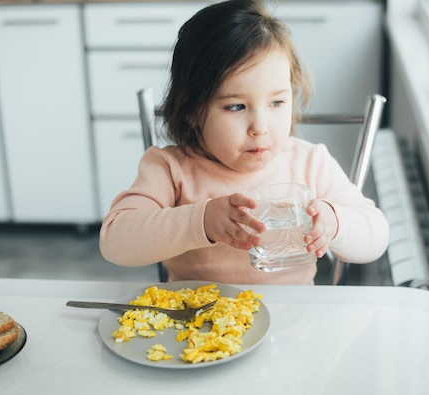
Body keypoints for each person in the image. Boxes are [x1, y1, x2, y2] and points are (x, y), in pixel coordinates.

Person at [99, 0, 389, 285]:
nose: (260, 128)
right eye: (236, 107)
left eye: (276, 102)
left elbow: (376, 236)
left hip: (294, 320)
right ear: (191, 111)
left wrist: (335, 222)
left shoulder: (309, 162)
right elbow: (114, 241)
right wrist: (201, 221)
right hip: (199, 324)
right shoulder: (170, 168)